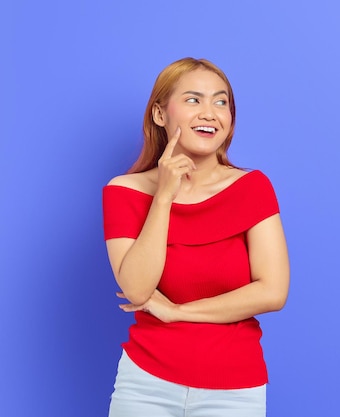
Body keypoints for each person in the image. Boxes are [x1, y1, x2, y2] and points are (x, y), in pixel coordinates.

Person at [102, 57, 290, 417]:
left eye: (221, 102)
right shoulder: (122, 192)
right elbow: (138, 289)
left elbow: (273, 291)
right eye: (193, 100)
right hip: (145, 382)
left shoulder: (252, 187)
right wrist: (164, 196)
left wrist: (176, 312)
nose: (210, 113)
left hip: (234, 387)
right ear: (160, 114)